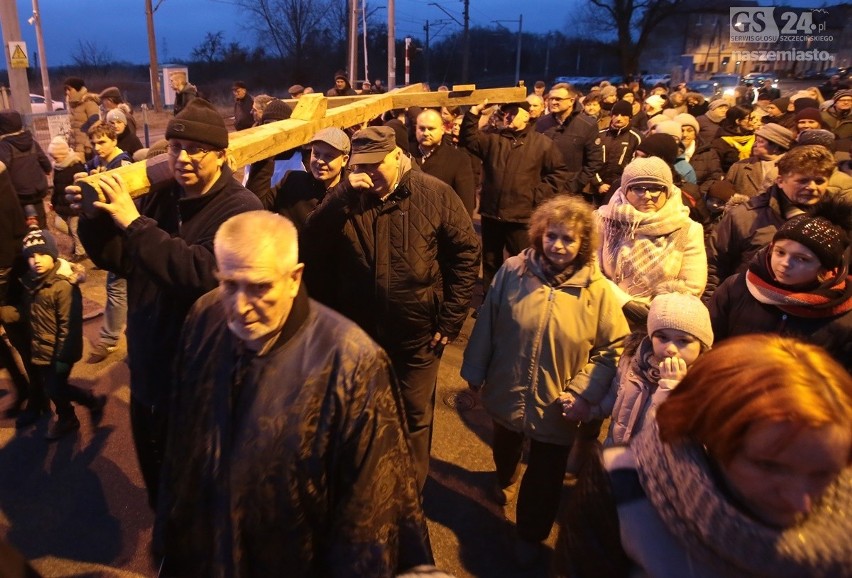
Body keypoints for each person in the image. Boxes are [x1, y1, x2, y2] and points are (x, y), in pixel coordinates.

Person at [154, 211, 432, 576]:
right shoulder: (205, 317)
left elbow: (370, 507)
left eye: (259, 287)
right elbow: (184, 440)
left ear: (294, 278)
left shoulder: (352, 362)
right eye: (229, 284)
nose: (239, 307)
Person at [74, 98, 263, 507]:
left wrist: (134, 222)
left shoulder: (242, 209)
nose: (184, 158)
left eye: (197, 150)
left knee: (201, 487)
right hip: (150, 367)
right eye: (177, 148)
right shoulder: (162, 196)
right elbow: (123, 259)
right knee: (158, 480)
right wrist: (93, 220)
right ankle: (166, 547)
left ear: (221, 156)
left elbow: (200, 274)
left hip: (203, 380)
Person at [555, 334, 852, 578]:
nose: (801, 502)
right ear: (707, 433)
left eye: (823, 473)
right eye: (769, 466)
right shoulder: (622, 485)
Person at [303, 126, 480, 490]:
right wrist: (340, 196)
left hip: (417, 336)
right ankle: (369, 486)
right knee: (363, 413)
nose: (367, 175)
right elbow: (310, 242)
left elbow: (465, 255)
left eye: (374, 166)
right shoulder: (348, 198)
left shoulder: (435, 194)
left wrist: (450, 320)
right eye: (359, 167)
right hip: (361, 336)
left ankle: (410, 494)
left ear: (397, 156)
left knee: (414, 418)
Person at [460, 196, 628, 567]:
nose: (559, 245)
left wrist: (583, 391)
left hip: (558, 400)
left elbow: (612, 347)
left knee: (547, 472)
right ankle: (505, 473)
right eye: (552, 236)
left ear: (583, 243)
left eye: (569, 239)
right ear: (539, 234)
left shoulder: (598, 291)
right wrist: (475, 370)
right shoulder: (512, 272)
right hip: (508, 385)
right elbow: (489, 320)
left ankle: (530, 533)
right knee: (504, 445)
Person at [710, 204, 852, 369]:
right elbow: (710, 343)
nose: (785, 264)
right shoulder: (736, 287)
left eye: (802, 259)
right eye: (780, 252)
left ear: (824, 268)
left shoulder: (842, 314)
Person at [705, 144, 836, 302]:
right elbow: (714, 266)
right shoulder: (745, 217)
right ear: (780, 181)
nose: (812, 187)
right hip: (749, 306)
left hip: (811, 313)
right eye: (803, 180)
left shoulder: (837, 222)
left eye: (819, 181)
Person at [460, 99, 568, 292]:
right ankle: (490, 300)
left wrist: (536, 195)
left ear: (526, 116)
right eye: (505, 113)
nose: (507, 117)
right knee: (491, 262)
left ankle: (521, 300)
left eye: (513, 113)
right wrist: (474, 112)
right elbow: (469, 138)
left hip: (521, 216)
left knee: (523, 262)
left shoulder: (542, 144)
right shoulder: (493, 139)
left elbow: (559, 173)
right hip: (492, 214)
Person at [10, 229, 106, 439]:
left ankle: (89, 402)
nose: (36, 260)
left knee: (55, 387)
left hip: (60, 351)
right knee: (53, 387)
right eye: (31, 256)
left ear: (52, 254)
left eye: (42, 254)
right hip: (43, 347)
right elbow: (31, 312)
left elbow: (69, 326)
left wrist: (64, 357)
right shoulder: (33, 283)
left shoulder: (62, 286)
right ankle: (68, 417)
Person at [596, 156, 707, 328]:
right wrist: (625, 303)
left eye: (656, 188)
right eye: (638, 188)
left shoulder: (687, 228)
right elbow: (591, 269)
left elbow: (691, 286)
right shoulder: (603, 220)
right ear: (625, 190)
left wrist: (656, 314)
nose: (647, 196)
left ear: (668, 190)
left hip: (659, 326)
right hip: (605, 315)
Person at [595, 292, 713, 446]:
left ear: (701, 345)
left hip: (654, 465)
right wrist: (589, 409)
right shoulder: (634, 361)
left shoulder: (705, 382)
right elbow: (614, 396)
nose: (670, 348)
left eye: (683, 341)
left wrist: (671, 388)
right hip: (618, 456)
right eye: (662, 337)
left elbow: (681, 436)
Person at [81, 122, 134, 364]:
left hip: (124, 238)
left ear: (114, 140)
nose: (97, 147)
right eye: (93, 143)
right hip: (112, 238)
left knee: (117, 289)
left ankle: (109, 339)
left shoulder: (122, 164)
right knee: (124, 290)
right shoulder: (99, 163)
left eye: (102, 142)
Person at [266, 127, 350, 232]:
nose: (320, 161)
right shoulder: (292, 181)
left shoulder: (351, 195)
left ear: (344, 160)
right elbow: (258, 205)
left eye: (329, 156)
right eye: (316, 154)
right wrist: (263, 159)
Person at [535, 83, 603, 196]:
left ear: (571, 101)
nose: (553, 102)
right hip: (544, 189)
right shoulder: (541, 123)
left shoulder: (587, 125)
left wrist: (575, 185)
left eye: (558, 99)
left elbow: (594, 161)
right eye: (551, 99)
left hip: (571, 191)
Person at [412, 108, 476, 215]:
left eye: (431, 129)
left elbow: (465, 203)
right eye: (422, 128)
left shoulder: (458, 159)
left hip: (441, 225)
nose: (426, 133)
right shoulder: (405, 155)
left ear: (442, 129)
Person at [0, 110, 52, 228]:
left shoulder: (5, 145)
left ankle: (29, 239)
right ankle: (43, 236)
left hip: (19, 193)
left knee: (23, 223)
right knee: (40, 219)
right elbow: (43, 159)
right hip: (37, 189)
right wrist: (47, 169)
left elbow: (3, 168)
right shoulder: (31, 141)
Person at [594, 100, 642, 205]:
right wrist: (598, 183)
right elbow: (591, 161)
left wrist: (623, 185)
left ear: (630, 117)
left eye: (623, 115)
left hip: (623, 189)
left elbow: (637, 165)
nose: (618, 118)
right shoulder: (600, 135)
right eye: (615, 114)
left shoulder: (636, 137)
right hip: (599, 188)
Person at [47, 137, 87, 262]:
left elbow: (80, 187)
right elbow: (57, 187)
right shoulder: (57, 167)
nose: (54, 160)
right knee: (60, 225)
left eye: (55, 156)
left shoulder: (76, 165)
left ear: (62, 154)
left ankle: (81, 252)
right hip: (62, 205)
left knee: (75, 229)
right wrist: (53, 201)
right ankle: (80, 243)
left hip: (73, 205)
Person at [63, 77, 100, 158]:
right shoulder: (73, 105)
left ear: (77, 89)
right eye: (66, 90)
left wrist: (88, 146)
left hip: (86, 149)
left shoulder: (89, 103)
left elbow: (95, 126)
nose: (67, 92)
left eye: (69, 89)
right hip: (75, 148)